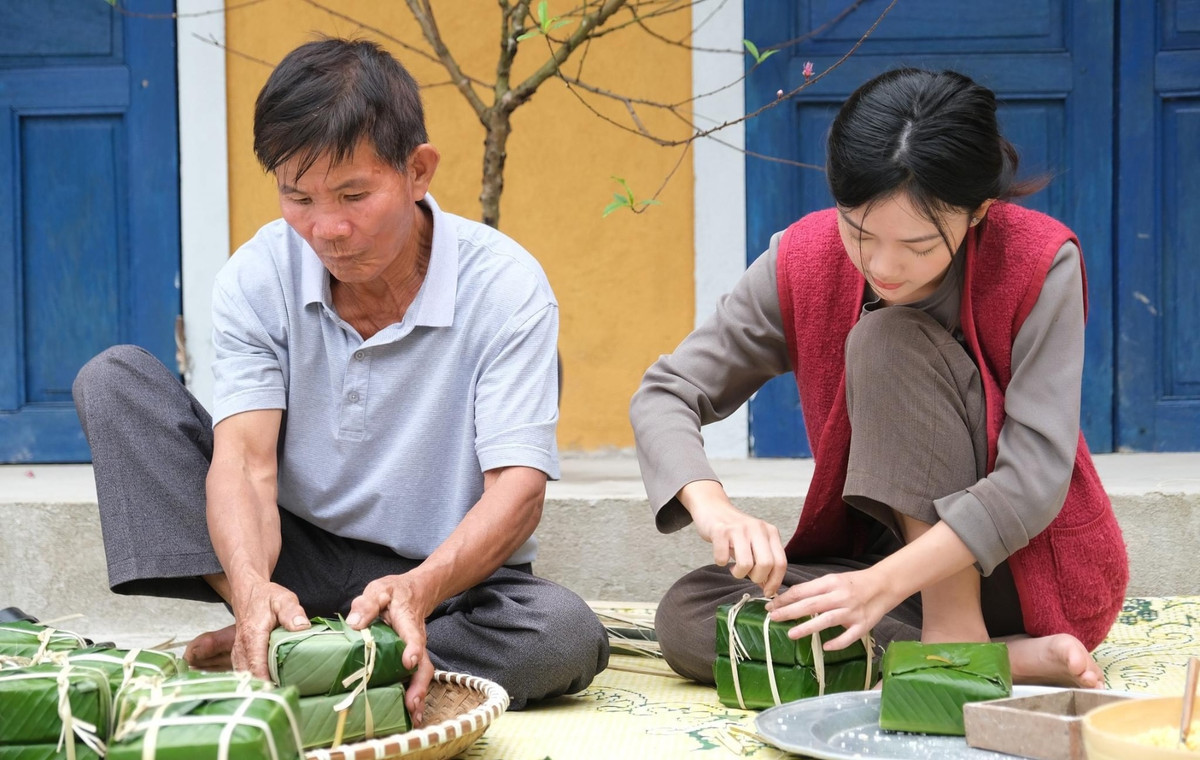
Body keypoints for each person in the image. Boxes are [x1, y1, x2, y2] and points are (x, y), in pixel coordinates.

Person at [73, 37, 608, 721]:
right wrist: (250, 588)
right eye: (297, 197)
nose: (327, 229)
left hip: (446, 580)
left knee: (560, 635)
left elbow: (518, 491)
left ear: (418, 171)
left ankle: (317, 658)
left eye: (354, 194)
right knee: (113, 381)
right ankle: (288, 632)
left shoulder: (506, 286)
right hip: (300, 557)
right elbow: (246, 464)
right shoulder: (258, 276)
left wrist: (419, 590)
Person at [630, 68, 1127, 690]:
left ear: (978, 211)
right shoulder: (803, 260)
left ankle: (957, 631)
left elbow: (1034, 480)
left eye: (919, 246)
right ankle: (984, 659)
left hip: (1021, 577)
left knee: (889, 338)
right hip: (880, 578)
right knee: (689, 618)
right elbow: (667, 392)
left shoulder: (1039, 262)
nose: (884, 267)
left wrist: (881, 585)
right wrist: (716, 510)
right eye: (859, 233)